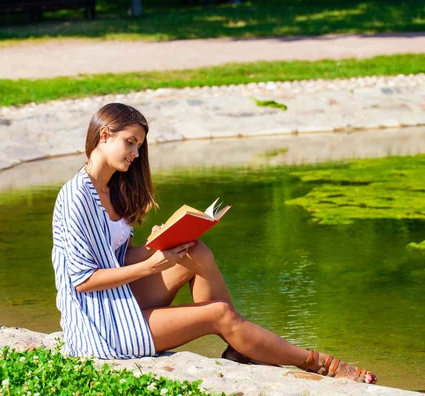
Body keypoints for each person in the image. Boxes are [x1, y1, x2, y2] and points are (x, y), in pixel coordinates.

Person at [51, 103, 377, 384]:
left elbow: (117, 258)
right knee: (219, 313)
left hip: (118, 299)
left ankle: (239, 345)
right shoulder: (76, 196)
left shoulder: (113, 189)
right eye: (131, 143)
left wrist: (155, 245)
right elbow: (83, 281)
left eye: (139, 146)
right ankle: (320, 363)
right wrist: (151, 264)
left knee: (194, 250)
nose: (136, 154)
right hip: (99, 325)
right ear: (105, 134)